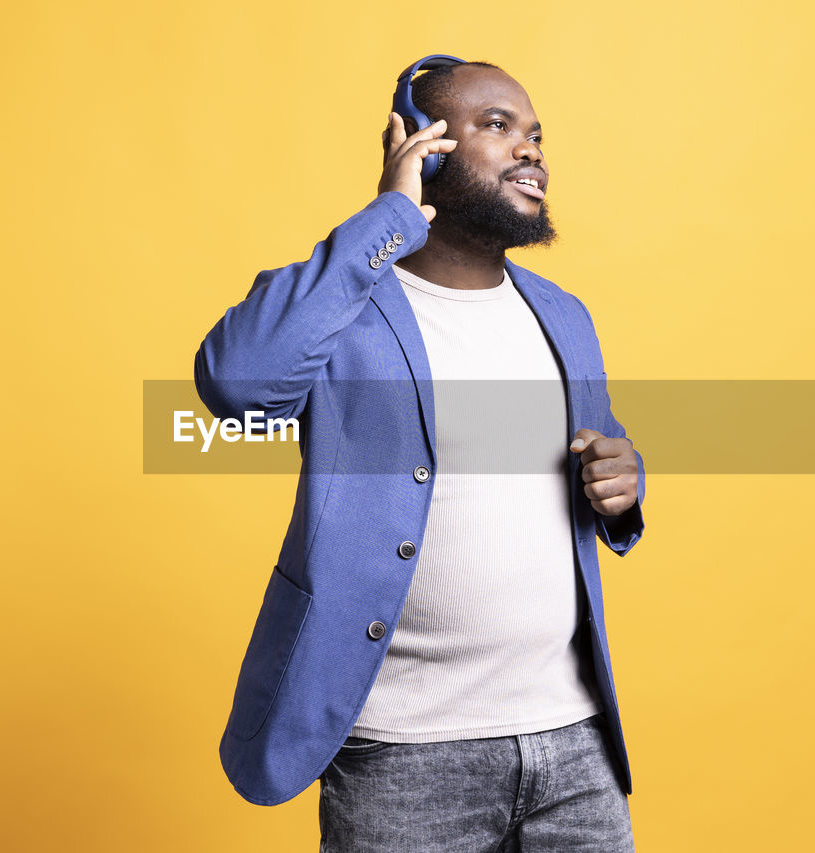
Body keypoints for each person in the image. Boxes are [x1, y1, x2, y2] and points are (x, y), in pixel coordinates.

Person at [194, 55, 645, 851]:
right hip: (404, 754)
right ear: (424, 147)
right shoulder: (346, 307)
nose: (531, 149)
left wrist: (620, 488)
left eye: (536, 134)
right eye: (498, 127)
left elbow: (589, 477)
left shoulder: (564, 316)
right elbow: (237, 383)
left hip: (574, 742)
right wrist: (388, 215)